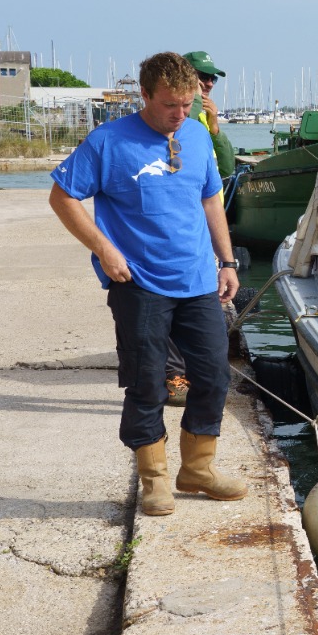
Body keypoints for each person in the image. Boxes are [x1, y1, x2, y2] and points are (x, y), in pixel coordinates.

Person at [49, 51, 249, 517]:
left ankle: (198, 469)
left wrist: (227, 260)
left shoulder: (198, 135)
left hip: (198, 279)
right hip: (138, 283)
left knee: (215, 375)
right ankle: (155, 479)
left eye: (188, 104)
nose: (180, 114)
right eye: (169, 105)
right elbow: (63, 197)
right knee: (147, 383)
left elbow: (212, 201)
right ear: (144, 96)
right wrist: (104, 248)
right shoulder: (108, 141)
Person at [164, 50, 237, 406]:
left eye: (212, 79)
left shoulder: (203, 117)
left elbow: (224, 166)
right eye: (202, 76)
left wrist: (217, 127)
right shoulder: (180, 117)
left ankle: (185, 372)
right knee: (178, 298)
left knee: (198, 299)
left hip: (209, 220)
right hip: (184, 224)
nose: (208, 83)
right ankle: (176, 375)